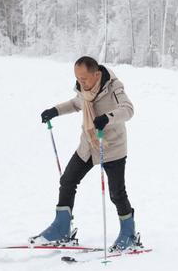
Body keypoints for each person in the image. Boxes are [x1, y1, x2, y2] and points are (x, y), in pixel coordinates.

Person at [30, 56, 140, 251]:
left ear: (97, 74)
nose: (80, 83)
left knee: (117, 193)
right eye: (77, 78)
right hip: (88, 145)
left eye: (84, 79)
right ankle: (61, 228)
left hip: (112, 147)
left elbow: (128, 110)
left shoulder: (114, 88)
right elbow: (76, 103)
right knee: (67, 180)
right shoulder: (84, 90)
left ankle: (129, 233)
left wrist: (108, 117)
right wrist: (54, 111)